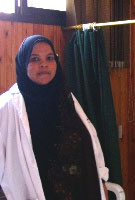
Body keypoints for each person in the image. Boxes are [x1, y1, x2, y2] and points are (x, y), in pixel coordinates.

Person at [0, 35, 109, 200]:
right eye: (34, 59)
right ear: (23, 64)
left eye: (49, 58)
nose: (43, 64)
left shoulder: (67, 99)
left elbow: (92, 145)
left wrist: (102, 183)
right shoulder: (7, 107)